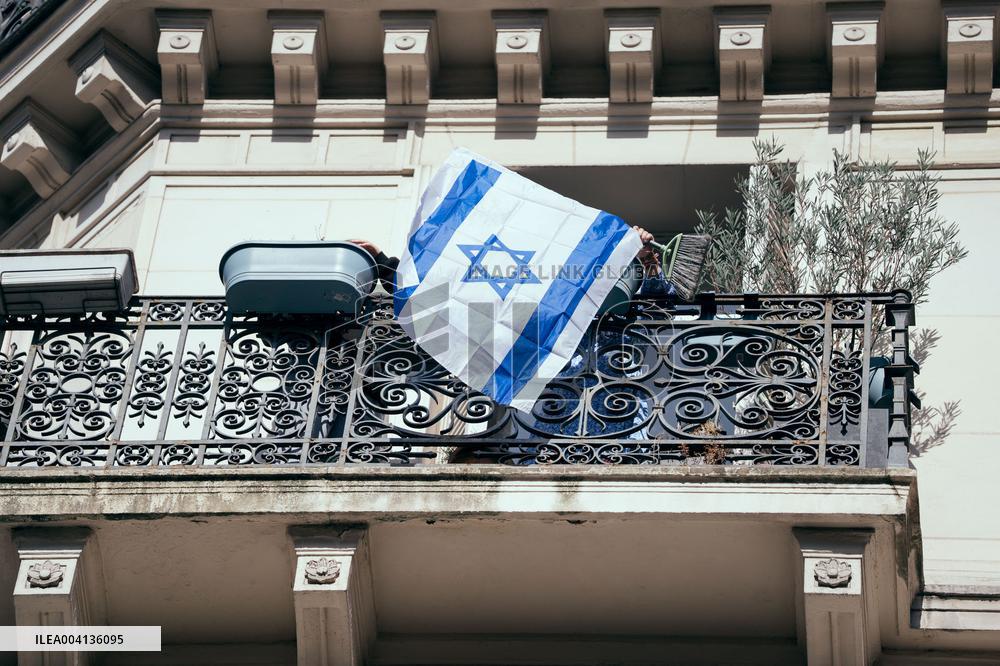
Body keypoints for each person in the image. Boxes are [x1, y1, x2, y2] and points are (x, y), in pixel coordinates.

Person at [350, 226, 671, 296]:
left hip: (616, 401)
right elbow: (434, 293)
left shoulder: (613, 283)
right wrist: (383, 262)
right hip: (534, 417)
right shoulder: (528, 281)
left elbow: (663, 302)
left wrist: (644, 263)